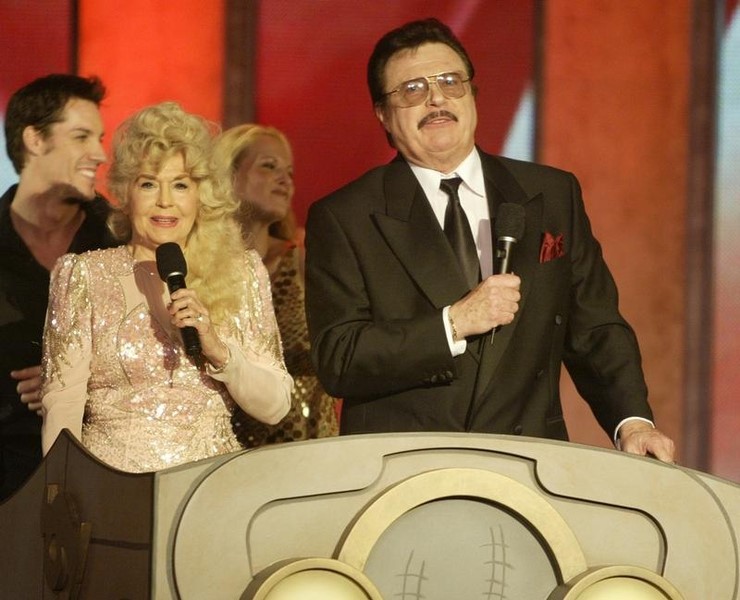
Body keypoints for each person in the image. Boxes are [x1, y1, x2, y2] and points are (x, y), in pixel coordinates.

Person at [304, 18, 675, 461]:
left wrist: (632, 421)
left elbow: (594, 326)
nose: (436, 98)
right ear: (382, 113)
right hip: (403, 467)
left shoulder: (551, 194)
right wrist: (453, 323)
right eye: (412, 90)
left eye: (449, 82)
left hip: (529, 461)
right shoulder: (345, 216)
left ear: (474, 95)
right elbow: (340, 359)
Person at [40, 102, 292, 472]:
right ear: (126, 194)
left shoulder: (241, 272)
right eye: (148, 183)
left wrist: (220, 351)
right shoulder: (84, 275)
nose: (164, 201)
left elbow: (274, 405)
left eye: (180, 184)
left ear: (200, 195)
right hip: (116, 492)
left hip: (209, 492)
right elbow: (62, 409)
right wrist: (63, 496)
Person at [0, 74, 118, 500]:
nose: (100, 154)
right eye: (81, 136)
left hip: (107, 484)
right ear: (34, 139)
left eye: (99, 138)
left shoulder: (122, 241)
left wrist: (74, 381)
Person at [212, 124, 338, 446]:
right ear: (227, 176)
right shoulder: (201, 272)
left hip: (305, 449)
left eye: (289, 172)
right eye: (269, 166)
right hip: (224, 451)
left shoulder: (305, 259)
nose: (286, 180)